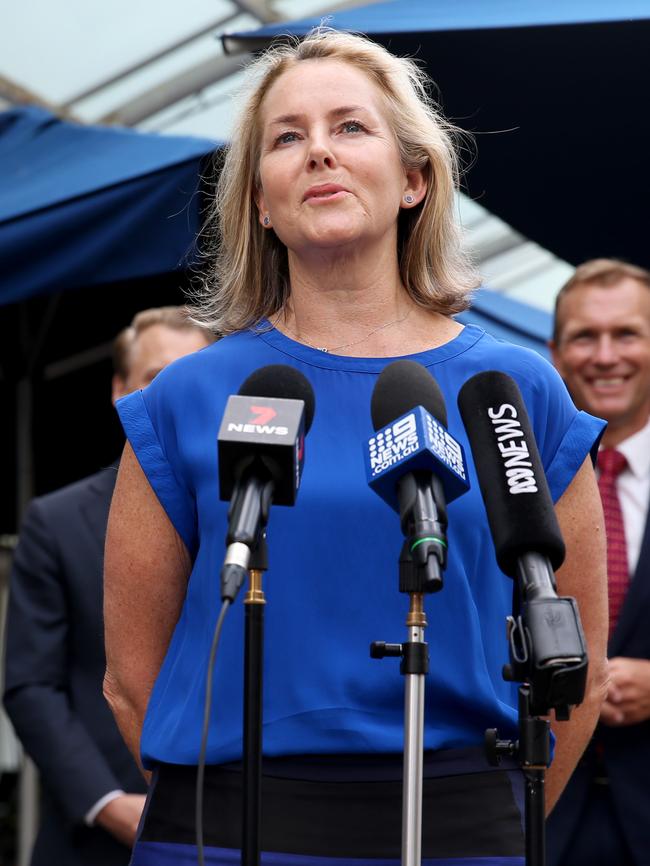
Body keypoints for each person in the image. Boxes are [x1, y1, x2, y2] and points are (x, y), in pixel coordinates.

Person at [103, 29, 609, 866]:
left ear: (414, 179)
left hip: (459, 837)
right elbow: (132, 681)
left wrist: (493, 825)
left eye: (350, 128)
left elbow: (573, 667)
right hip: (229, 840)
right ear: (260, 200)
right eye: (287, 137)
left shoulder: (515, 392)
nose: (317, 155)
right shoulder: (186, 398)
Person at [3, 307, 213, 866]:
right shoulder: (57, 520)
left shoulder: (258, 513)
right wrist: (107, 802)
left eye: (192, 378)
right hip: (96, 837)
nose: (174, 396)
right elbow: (31, 685)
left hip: (229, 823)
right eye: (156, 379)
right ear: (121, 392)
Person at [547, 259, 650, 866]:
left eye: (627, 334)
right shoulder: (516, 482)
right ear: (556, 352)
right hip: (550, 817)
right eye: (586, 336)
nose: (605, 355)